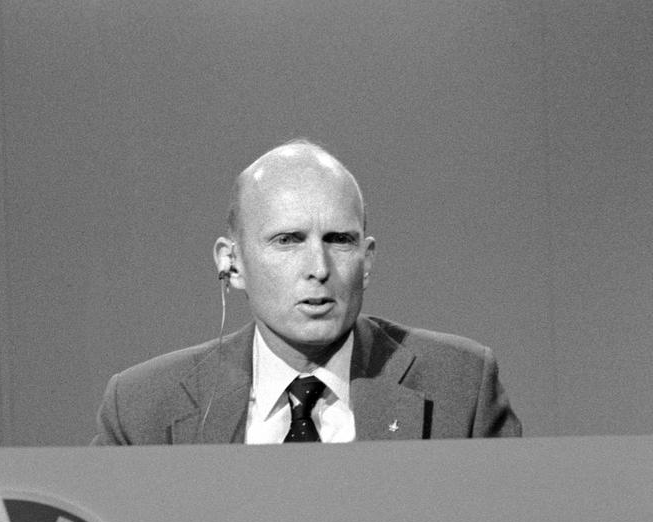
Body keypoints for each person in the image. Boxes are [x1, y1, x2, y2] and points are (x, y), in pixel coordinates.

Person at [94, 139, 520, 445]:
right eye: (288, 240)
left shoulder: (461, 388)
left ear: (367, 261)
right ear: (232, 263)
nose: (319, 269)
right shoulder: (141, 409)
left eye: (339, 240)